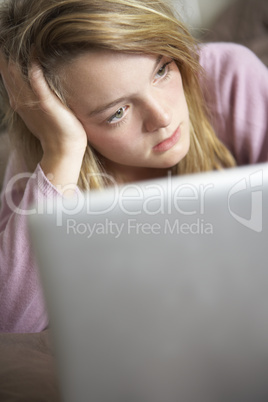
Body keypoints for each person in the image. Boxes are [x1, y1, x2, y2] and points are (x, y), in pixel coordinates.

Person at [0, 0, 267, 333]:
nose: (163, 118)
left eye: (161, 70)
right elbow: (10, 324)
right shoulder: (50, 161)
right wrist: (62, 152)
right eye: (117, 113)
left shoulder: (229, 77)